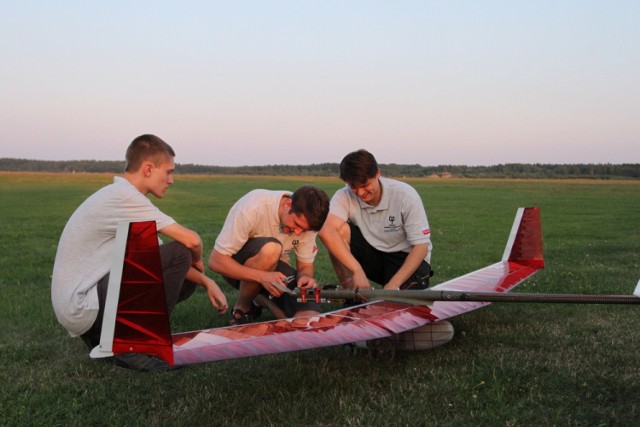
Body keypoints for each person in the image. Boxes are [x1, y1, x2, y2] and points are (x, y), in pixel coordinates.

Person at [51, 134, 227, 371]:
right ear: (148, 169)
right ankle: (134, 344)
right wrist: (197, 262)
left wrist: (206, 282)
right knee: (180, 254)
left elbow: (159, 255)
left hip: (83, 305)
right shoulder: (124, 197)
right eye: (168, 171)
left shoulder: (122, 197)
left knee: (179, 270)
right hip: (83, 304)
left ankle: (112, 340)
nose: (171, 180)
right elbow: (192, 240)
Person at [208, 186, 330, 324]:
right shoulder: (253, 206)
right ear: (288, 204)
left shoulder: (309, 221)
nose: (297, 233)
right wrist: (262, 277)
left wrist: (305, 277)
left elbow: (305, 266)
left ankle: (261, 299)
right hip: (237, 266)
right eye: (296, 224)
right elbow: (215, 261)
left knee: (308, 319)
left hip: (276, 268)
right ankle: (242, 308)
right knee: (271, 249)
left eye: (303, 230)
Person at [318, 149, 432, 291]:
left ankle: (394, 286)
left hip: (406, 259)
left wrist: (394, 284)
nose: (360, 193)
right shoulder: (344, 195)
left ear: (378, 173)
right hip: (375, 257)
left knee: (395, 307)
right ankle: (353, 294)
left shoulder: (405, 195)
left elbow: (421, 247)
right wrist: (357, 271)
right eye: (353, 187)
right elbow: (326, 231)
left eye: (365, 185)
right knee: (338, 231)